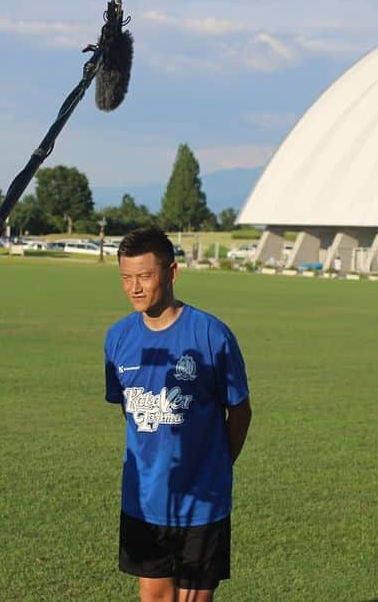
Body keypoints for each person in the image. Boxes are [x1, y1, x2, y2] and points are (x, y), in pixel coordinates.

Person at [104, 227, 252, 601]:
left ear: (172, 273)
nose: (134, 287)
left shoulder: (211, 335)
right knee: (153, 597)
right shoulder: (117, 338)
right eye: (126, 277)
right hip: (143, 497)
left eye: (145, 276)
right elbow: (129, 409)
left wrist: (218, 463)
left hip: (201, 501)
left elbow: (240, 410)